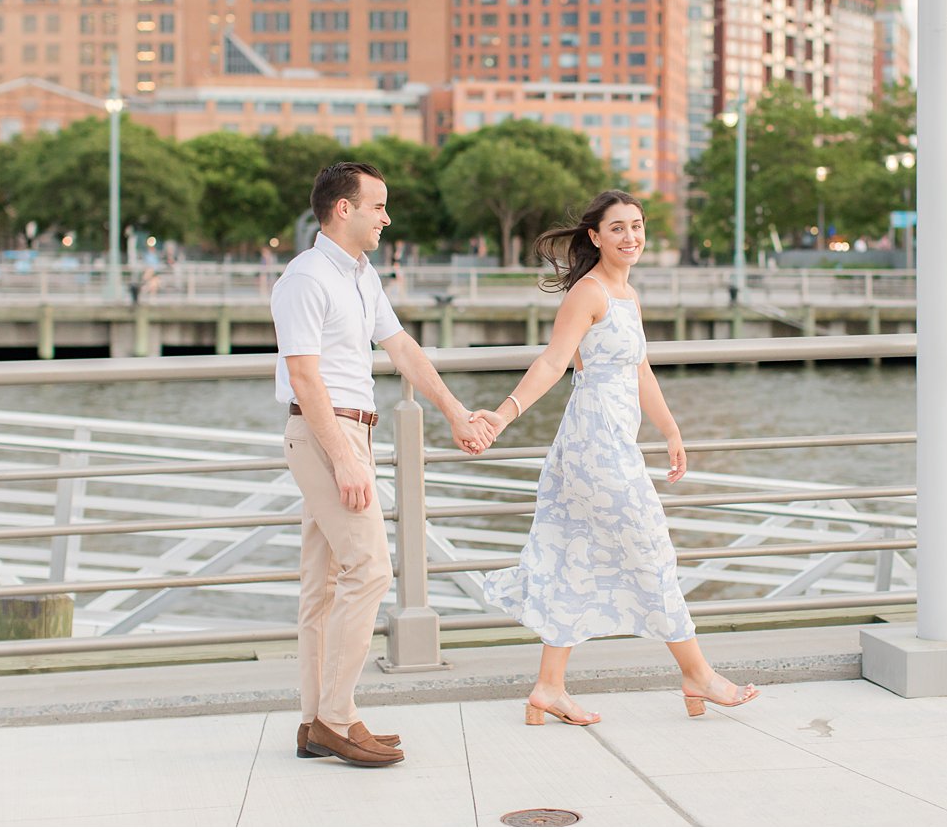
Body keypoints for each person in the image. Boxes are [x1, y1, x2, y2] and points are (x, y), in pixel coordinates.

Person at [478, 190, 760, 727]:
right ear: (595, 237)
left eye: (637, 226)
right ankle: (697, 673)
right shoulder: (588, 294)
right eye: (617, 228)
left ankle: (549, 687)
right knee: (650, 547)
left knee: (574, 555)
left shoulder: (627, 295)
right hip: (594, 442)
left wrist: (671, 431)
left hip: (615, 440)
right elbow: (554, 362)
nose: (630, 237)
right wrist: (504, 413)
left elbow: (641, 370)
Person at [272, 162, 497, 768]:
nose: (386, 217)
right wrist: (345, 459)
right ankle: (337, 720)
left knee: (323, 586)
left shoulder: (360, 274)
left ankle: (313, 721)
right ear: (343, 209)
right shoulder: (305, 277)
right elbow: (304, 376)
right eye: (378, 206)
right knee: (370, 570)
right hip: (325, 435)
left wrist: (452, 411)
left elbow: (401, 349)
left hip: (351, 432)